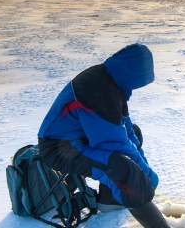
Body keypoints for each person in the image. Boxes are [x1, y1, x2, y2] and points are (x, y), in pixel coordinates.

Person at [38, 43, 170, 228]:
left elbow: (126, 127)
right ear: (131, 74)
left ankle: (110, 201)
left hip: (82, 138)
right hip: (60, 148)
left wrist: (144, 168)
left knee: (135, 137)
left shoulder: (112, 80)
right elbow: (112, 144)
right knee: (124, 169)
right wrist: (144, 177)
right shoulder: (99, 91)